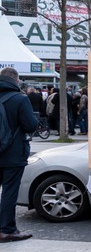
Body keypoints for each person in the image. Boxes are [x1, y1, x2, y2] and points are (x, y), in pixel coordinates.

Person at [0, 67, 40, 242]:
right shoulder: (19, 99)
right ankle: (7, 229)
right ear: (16, 81)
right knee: (9, 191)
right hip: (12, 154)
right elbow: (30, 125)